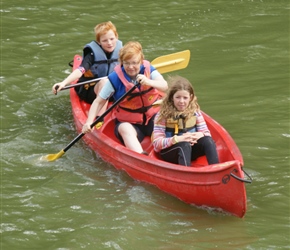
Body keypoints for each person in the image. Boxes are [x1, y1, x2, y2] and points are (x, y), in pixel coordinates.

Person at [82, 41, 168, 154]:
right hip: (130, 122)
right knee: (124, 128)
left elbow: (164, 85)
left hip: (152, 117)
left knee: (168, 117)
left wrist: (149, 81)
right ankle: (141, 157)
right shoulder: (115, 78)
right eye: (127, 63)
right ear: (121, 62)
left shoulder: (149, 70)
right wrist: (89, 122)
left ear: (141, 61)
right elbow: (98, 102)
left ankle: (170, 146)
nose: (131, 67)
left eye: (135, 63)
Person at [52, 21, 122, 114]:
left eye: (112, 39)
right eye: (105, 40)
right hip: (90, 91)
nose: (109, 43)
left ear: (116, 37)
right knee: (105, 82)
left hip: (113, 90)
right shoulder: (92, 54)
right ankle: (99, 119)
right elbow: (80, 70)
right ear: (99, 42)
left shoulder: (122, 51)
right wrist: (63, 83)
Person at [152, 76, 219, 166]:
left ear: (190, 97)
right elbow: (157, 144)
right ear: (172, 97)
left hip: (190, 150)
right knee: (183, 145)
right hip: (171, 152)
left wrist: (201, 134)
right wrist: (177, 139)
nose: (181, 101)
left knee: (208, 141)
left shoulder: (195, 112)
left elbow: (206, 133)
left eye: (185, 98)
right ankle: (186, 173)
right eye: (178, 97)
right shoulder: (162, 115)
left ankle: (216, 168)